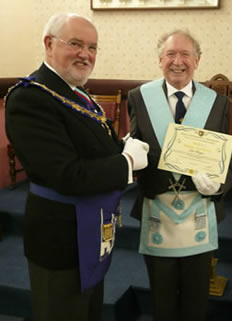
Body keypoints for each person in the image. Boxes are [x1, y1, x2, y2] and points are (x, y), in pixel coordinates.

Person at [5, 13, 149, 321]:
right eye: (75, 44)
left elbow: (94, 148)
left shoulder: (78, 94)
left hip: (91, 229)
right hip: (60, 239)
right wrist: (126, 162)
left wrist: (123, 146)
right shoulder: (30, 97)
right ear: (49, 44)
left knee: (89, 311)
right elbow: (66, 175)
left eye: (93, 47)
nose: (86, 54)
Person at [128, 29, 232, 321]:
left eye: (185, 54)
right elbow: (133, 142)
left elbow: (228, 158)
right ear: (160, 60)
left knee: (196, 298)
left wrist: (219, 185)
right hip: (156, 212)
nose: (178, 61)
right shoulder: (139, 97)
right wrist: (128, 153)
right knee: (161, 299)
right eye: (170, 55)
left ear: (197, 61)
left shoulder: (217, 102)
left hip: (199, 210)